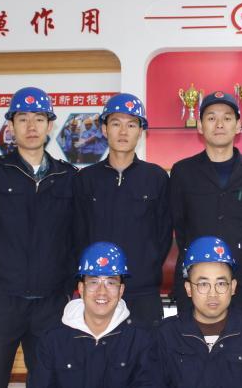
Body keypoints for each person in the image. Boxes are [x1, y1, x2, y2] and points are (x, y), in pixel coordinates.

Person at [0, 86, 77, 388]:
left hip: (51, 303)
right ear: (10, 126)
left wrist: (68, 292)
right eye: (22, 119)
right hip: (1, 301)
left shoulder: (67, 176)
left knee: (49, 381)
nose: (31, 126)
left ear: (50, 125)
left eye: (39, 118)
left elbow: (74, 238)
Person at [74, 93, 172, 328]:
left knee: (148, 350)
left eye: (131, 125)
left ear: (141, 131)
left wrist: (146, 266)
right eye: (116, 123)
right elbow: (77, 234)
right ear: (104, 129)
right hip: (98, 291)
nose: (123, 131)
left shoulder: (156, 178)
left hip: (143, 291)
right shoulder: (86, 179)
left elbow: (163, 235)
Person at [170, 91, 242, 314]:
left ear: (238, 125)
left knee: (241, 336)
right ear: (200, 126)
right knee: (190, 336)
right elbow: (179, 226)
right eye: (211, 118)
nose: (219, 124)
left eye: (227, 118)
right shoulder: (182, 172)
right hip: (196, 281)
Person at [155, 236, 242, 387]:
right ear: (188, 289)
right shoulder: (167, 335)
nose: (213, 294)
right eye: (203, 284)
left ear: (233, 287)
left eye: (221, 283)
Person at [32, 241, 156, 388]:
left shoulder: (141, 339)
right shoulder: (52, 339)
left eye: (110, 283)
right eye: (94, 282)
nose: (102, 291)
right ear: (81, 288)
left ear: (121, 290)